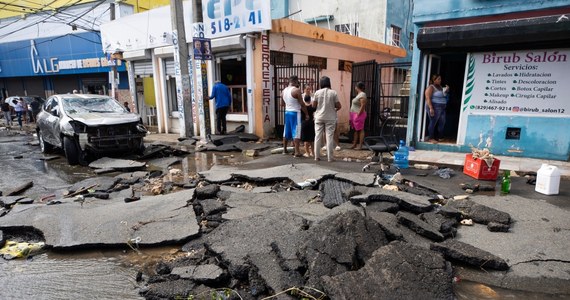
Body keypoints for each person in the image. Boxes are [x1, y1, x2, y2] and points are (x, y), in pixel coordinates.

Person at [312, 76, 341, 162]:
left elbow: (314, 105)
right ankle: (330, 158)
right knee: (329, 137)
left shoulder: (317, 92)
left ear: (321, 84)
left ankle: (316, 157)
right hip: (330, 118)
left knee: (317, 136)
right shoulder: (333, 93)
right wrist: (334, 109)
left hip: (319, 117)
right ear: (329, 83)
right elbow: (339, 106)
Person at [281, 75, 308, 157]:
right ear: (296, 81)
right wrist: (306, 114)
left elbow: (282, 104)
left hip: (287, 112)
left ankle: (284, 150)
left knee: (286, 131)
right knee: (296, 131)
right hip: (295, 113)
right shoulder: (296, 90)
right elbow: (302, 104)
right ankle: (297, 152)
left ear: (289, 81)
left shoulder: (283, 91)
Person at [424, 74, 449, 143]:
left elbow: (443, 95)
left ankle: (440, 137)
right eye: (438, 79)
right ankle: (430, 138)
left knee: (442, 122)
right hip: (435, 106)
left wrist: (446, 90)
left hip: (442, 107)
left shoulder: (440, 87)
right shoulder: (431, 87)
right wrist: (431, 108)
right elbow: (427, 98)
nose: (440, 80)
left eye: (440, 79)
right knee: (433, 122)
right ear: (434, 80)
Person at [349, 81, 367, 149]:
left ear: (357, 87)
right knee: (356, 130)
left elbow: (362, 105)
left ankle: (360, 146)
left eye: (356, 86)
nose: (355, 87)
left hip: (359, 114)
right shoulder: (359, 94)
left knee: (361, 129)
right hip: (355, 114)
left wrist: (358, 114)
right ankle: (355, 144)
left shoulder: (362, 94)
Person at [300, 84, 315, 157]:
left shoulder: (313, 96)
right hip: (311, 122)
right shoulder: (301, 96)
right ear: (304, 89)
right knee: (311, 138)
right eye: (307, 89)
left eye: (310, 89)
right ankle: (312, 152)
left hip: (305, 122)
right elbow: (315, 108)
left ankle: (307, 153)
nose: (309, 90)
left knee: (306, 138)